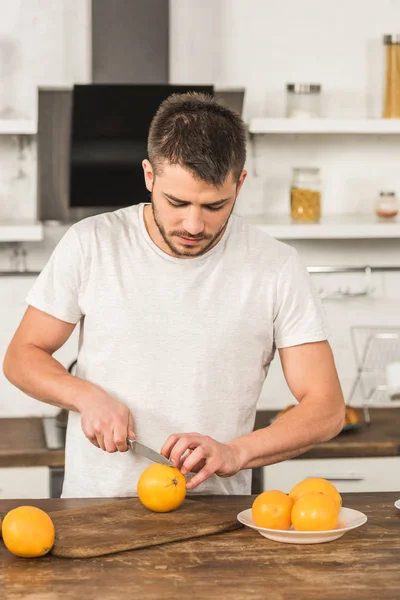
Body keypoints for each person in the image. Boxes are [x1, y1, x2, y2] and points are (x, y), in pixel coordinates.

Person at [3, 92, 345, 498]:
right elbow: (22, 356)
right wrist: (86, 396)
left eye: (216, 205)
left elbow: (326, 407)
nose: (194, 225)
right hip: (96, 511)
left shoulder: (276, 266)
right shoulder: (91, 244)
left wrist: (236, 453)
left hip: (215, 521)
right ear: (149, 175)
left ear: (240, 182)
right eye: (177, 202)